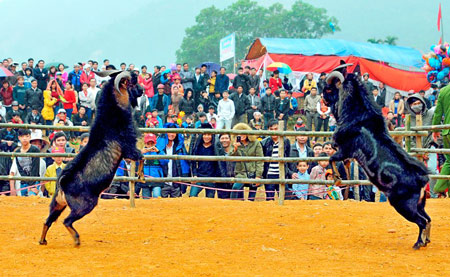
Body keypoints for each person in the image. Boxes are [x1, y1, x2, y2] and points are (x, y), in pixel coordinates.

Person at [229, 123, 264, 201]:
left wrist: (258, 176)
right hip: (241, 172)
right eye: (239, 133)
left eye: (243, 132)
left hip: (253, 172)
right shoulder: (234, 144)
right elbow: (231, 158)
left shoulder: (256, 143)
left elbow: (260, 160)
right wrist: (235, 148)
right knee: (235, 188)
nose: (241, 135)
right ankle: (231, 205)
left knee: (251, 197)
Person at [156, 123, 190, 197]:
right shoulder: (159, 147)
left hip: (176, 184)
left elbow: (184, 166)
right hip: (163, 183)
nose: (171, 134)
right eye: (169, 132)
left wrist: (183, 182)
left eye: (174, 132)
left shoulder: (180, 148)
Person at [260, 119, 291, 201]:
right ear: (268, 130)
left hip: (282, 174)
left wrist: (289, 172)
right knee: (269, 199)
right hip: (269, 174)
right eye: (271, 129)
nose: (274, 131)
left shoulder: (286, 141)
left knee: (285, 198)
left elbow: (289, 158)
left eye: (276, 129)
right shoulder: (264, 143)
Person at [189, 123, 219, 198]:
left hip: (211, 178)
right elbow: (193, 161)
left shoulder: (215, 148)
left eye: (209, 135)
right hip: (199, 176)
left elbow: (218, 164)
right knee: (192, 196)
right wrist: (194, 174)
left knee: (210, 200)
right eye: (204, 134)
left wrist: (216, 177)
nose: (206, 137)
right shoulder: (198, 147)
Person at [9, 129, 41, 196]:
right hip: (23, 182)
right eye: (22, 136)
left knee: (32, 198)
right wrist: (26, 183)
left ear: (30, 137)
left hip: (34, 181)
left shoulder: (35, 150)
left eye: (27, 136)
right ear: (19, 138)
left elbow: (35, 168)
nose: (24, 138)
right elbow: (20, 169)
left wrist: (31, 185)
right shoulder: (17, 152)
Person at [432, 85, 450, 196]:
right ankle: (439, 186)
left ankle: (440, 187)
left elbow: (438, 113)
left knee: (449, 161)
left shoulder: (443, 90)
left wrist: (435, 129)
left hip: (446, 132)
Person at [138, 133, 167, 199]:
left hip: (157, 180)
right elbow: (135, 164)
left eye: (152, 144)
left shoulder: (159, 151)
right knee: (146, 199)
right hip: (145, 180)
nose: (150, 146)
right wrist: (140, 153)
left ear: (155, 143)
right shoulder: (142, 152)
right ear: (145, 144)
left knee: (156, 196)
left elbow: (165, 161)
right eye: (148, 144)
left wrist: (158, 152)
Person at [214, 133, 235, 199]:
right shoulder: (216, 152)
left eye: (226, 138)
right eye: (222, 138)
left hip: (234, 180)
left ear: (230, 140)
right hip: (221, 181)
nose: (224, 140)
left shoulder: (235, 150)